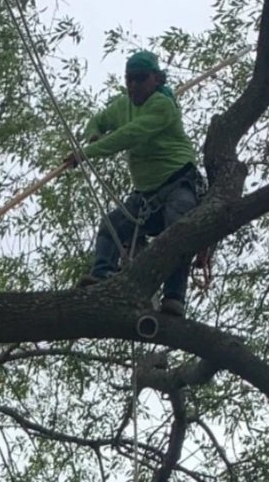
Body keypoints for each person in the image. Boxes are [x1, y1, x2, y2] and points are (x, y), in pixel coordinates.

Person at [65, 50, 203, 317]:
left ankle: (174, 297)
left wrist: (86, 153)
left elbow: (130, 134)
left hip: (178, 183)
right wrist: (93, 134)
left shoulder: (163, 106)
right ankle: (102, 275)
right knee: (111, 227)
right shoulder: (123, 105)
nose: (134, 86)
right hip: (146, 194)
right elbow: (99, 120)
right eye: (129, 79)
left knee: (178, 229)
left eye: (140, 79)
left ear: (156, 79)